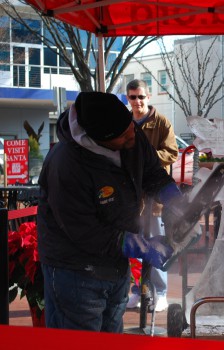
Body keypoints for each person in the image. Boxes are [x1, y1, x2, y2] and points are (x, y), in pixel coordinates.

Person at [37, 91, 184, 332]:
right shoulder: (67, 165)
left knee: (111, 336)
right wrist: (140, 246)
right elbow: (86, 232)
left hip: (115, 264)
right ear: (98, 139)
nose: (132, 137)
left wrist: (174, 200)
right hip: (75, 271)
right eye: (123, 137)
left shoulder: (129, 132)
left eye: (130, 128)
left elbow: (152, 172)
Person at [125, 79, 179, 312]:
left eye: (140, 97)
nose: (137, 101)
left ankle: (161, 293)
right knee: (134, 247)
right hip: (131, 197)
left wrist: (144, 158)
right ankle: (138, 290)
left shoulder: (161, 122)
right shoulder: (124, 122)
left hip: (154, 197)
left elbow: (172, 152)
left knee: (156, 244)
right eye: (132, 97)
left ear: (148, 97)